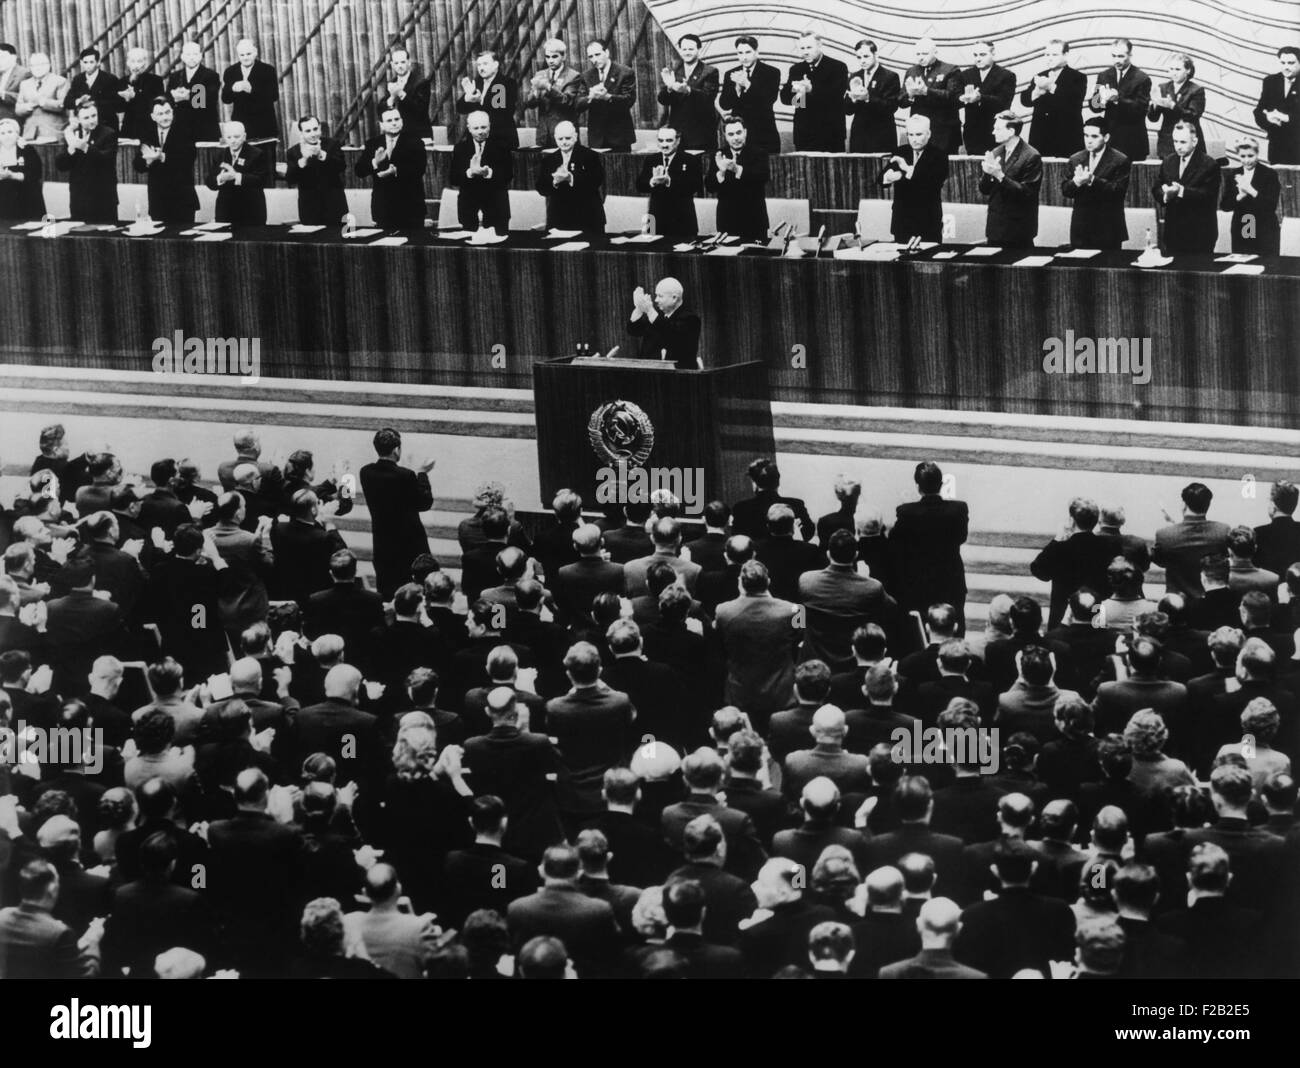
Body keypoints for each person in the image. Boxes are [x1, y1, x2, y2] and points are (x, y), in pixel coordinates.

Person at [358, 427, 434, 600]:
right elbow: (424, 503)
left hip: (383, 539)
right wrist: (422, 473)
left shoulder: (366, 472)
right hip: (409, 542)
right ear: (396, 450)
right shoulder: (406, 475)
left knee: (387, 587)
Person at [891, 461, 968, 618]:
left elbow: (894, 543)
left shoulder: (906, 512)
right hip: (950, 580)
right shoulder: (959, 509)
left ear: (918, 487)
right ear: (941, 484)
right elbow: (961, 537)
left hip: (918, 582)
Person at [1061, 116, 1130, 250]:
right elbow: (1065, 190)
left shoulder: (1120, 160)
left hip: (1108, 229)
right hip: (1080, 229)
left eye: (1094, 136)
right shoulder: (1075, 159)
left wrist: (1093, 180)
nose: (1089, 141)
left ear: (1106, 137)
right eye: (1086, 136)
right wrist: (1076, 182)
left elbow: (1118, 192)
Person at [1153, 482, 1231, 602]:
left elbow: (1160, 561)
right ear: (1207, 505)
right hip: (1209, 601)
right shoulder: (1223, 531)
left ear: (1183, 505)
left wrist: (1172, 528)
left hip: (1177, 604)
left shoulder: (1164, 535)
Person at [1152, 122, 1220, 255]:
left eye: (1183, 142)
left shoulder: (1209, 164)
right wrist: (1165, 195)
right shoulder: (1168, 161)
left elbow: (1208, 195)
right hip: (1173, 233)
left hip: (1200, 234)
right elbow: (1156, 188)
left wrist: (1181, 191)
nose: (1178, 146)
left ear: (1194, 141)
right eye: (1175, 141)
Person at [355, 106, 427, 231]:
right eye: (389, 121)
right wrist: (375, 162)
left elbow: (419, 169)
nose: (394, 123)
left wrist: (395, 171)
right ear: (381, 125)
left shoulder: (416, 142)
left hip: (411, 208)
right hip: (383, 208)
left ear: (402, 121)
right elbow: (359, 171)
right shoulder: (373, 144)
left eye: (397, 119)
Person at [880, 115, 947, 243]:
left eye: (918, 134)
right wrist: (887, 177)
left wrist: (906, 170)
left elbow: (931, 184)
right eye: (910, 135)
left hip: (928, 224)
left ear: (928, 134)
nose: (914, 139)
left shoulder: (939, 155)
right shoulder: (900, 151)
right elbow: (881, 179)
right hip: (902, 222)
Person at [978, 110, 1042, 247]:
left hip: (1019, 230)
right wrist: (987, 173)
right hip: (995, 228)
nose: (993, 132)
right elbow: (984, 190)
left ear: (1011, 131)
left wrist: (999, 175)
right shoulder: (996, 152)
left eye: (997, 129)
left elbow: (1027, 193)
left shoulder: (1031, 156)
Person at [132, 97, 198, 226]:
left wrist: (162, 157)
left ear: (173, 112)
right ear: (153, 117)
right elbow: (137, 165)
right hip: (158, 201)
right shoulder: (147, 134)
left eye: (168, 112)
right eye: (160, 114)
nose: (165, 117)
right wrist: (148, 161)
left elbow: (188, 159)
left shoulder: (185, 131)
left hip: (182, 200)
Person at [780, 32, 849, 152]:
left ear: (819, 45)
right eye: (802, 48)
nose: (805, 52)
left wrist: (811, 89)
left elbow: (836, 96)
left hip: (831, 135)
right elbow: (786, 98)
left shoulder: (838, 67)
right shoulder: (796, 69)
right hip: (804, 135)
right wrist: (800, 91)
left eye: (809, 47)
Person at [703, 115, 769, 242]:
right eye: (731, 134)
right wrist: (721, 173)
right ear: (726, 137)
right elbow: (710, 187)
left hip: (754, 220)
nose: (736, 138)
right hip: (727, 220)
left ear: (745, 132)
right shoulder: (719, 155)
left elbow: (762, 177)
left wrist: (737, 169)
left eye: (739, 133)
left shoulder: (759, 153)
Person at [1019, 38, 1087, 160]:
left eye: (1054, 55)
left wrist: (1051, 87)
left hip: (1066, 136)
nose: (1049, 58)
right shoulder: (1040, 75)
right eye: (1047, 54)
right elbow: (1025, 100)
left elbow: (1074, 102)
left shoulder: (1078, 77)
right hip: (1040, 136)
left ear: (1066, 55)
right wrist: (1036, 92)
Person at [449, 109, 512, 234]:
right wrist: (470, 173)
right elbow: (453, 178)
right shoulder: (460, 148)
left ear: (489, 126)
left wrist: (488, 173)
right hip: (468, 206)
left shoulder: (502, 147)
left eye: (483, 127)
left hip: (496, 205)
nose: (480, 132)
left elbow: (508, 175)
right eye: (476, 128)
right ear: (469, 128)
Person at [534, 119, 604, 232]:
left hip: (588, 218)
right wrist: (554, 182)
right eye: (560, 139)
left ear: (575, 137)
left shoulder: (589, 156)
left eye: (568, 138)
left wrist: (571, 177)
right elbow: (541, 188)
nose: (564, 142)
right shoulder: (549, 160)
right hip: (559, 219)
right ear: (555, 138)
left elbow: (597, 180)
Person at [1088, 39, 1151, 162]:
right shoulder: (1104, 75)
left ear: (1130, 55)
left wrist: (1118, 99)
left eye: (1121, 56)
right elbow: (1094, 106)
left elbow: (1141, 109)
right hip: (1109, 141)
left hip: (1132, 142)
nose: (1116, 60)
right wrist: (1102, 99)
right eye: (1114, 56)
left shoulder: (1142, 78)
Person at [634, 124, 703, 237]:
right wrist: (652, 181)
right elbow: (639, 185)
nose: (664, 145)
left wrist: (669, 182)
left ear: (678, 141)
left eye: (669, 140)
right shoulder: (651, 159)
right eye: (661, 140)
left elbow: (694, 186)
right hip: (656, 219)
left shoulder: (690, 160)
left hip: (682, 221)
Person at [56, 101, 118, 223]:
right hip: (79, 198)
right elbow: (61, 165)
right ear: (78, 120)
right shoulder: (73, 134)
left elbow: (106, 160)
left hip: (103, 198)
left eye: (94, 116)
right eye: (86, 117)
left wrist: (85, 147)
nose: (91, 120)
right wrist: (71, 149)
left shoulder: (108, 133)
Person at [718, 36, 780, 156]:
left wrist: (747, 84)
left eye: (748, 52)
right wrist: (737, 90)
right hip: (739, 137)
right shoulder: (730, 74)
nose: (744, 57)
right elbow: (724, 104)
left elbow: (769, 100)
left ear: (756, 52)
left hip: (764, 135)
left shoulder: (771, 72)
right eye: (740, 53)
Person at [1220, 136, 1281, 256]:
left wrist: (1251, 190)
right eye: (1243, 156)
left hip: (1264, 228)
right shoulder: (1233, 174)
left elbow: (1271, 205)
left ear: (1257, 154)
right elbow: (1224, 206)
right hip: (1242, 226)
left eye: (1250, 156)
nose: (1247, 160)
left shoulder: (1269, 174)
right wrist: (1239, 196)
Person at [657, 33, 719, 151]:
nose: (687, 52)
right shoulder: (673, 72)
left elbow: (707, 97)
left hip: (701, 134)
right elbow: (662, 99)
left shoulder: (710, 71)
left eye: (691, 49)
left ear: (698, 50)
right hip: (678, 135)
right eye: (684, 49)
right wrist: (670, 88)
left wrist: (688, 90)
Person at [901, 38, 962, 154]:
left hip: (944, 131)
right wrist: (910, 94)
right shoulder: (911, 71)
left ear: (935, 52)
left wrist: (926, 91)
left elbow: (954, 98)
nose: (921, 57)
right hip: (919, 132)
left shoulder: (950, 69)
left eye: (924, 53)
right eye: (918, 54)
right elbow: (900, 101)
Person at [285, 114, 348, 226]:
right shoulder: (293, 152)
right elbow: (290, 178)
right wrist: (303, 160)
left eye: (315, 129)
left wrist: (321, 155)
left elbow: (341, 166)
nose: (313, 134)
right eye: (308, 131)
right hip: (309, 207)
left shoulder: (333, 144)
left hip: (334, 204)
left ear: (320, 128)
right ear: (301, 133)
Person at [626, 277, 702, 369]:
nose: (656, 300)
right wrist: (639, 309)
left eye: (660, 296)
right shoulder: (657, 316)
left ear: (674, 298)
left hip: (678, 378)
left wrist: (650, 311)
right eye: (656, 295)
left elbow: (670, 333)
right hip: (650, 376)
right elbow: (634, 331)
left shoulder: (690, 319)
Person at [525, 39, 585, 149]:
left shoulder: (573, 76)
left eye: (554, 57)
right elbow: (530, 104)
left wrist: (548, 87)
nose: (550, 61)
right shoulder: (540, 74)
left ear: (564, 56)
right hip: (543, 134)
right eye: (547, 57)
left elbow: (567, 101)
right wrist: (536, 93)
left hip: (564, 135)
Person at [205, 120, 268, 226]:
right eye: (229, 137)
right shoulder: (220, 155)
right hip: (225, 211)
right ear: (224, 138)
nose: (233, 141)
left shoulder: (257, 154)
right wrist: (220, 178)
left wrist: (236, 176)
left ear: (244, 136)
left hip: (251, 211)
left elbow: (261, 180)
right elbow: (209, 181)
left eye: (236, 137)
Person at [959, 41, 1016, 154]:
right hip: (972, 133)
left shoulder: (1006, 75)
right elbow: (957, 97)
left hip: (995, 133)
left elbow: (1004, 103)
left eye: (982, 55)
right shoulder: (966, 75)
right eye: (975, 55)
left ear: (993, 54)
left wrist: (981, 98)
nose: (978, 59)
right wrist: (961, 98)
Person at [845, 39, 901, 153]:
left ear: (876, 55)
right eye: (859, 58)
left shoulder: (890, 76)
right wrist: (852, 99)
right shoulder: (854, 76)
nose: (862, 61)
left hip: (882, 134)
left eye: (866, 56)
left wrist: (868, 98)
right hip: (859, 134)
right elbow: (847, 110)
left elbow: (891, 107)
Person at [456, 49, 518, 150]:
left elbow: (498, 113)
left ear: (495, 65)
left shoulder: (504, 83)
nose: (481, 68)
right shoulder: (477, 83)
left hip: (499, 140)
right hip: (477, 140)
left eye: (485, 64)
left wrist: (477, 102)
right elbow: (460, 108)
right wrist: (467, 98)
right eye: (479, 65)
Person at [579, 41, 635, 151]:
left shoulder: (625, 72)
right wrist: (590, 97)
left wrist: (608, 97)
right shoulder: (586, 76)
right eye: (591, 56)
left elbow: (629, 100)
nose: (594, 60)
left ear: (607, 53)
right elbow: (578, 103)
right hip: (596, 137)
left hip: (620, 136)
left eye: (597, 54)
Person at [1148, 54, 1205, 159]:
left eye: (1178, 69)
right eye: (1171, 69)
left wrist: (1173, 106)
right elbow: (1153, 118)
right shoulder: (1163, 87)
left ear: (1188, 70)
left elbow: (1193, 115)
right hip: (1167, 142)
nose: (1174, 73)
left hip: (1189, 141)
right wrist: (1154, 105)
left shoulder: (1196, 90)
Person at [220, 38, 279, 140]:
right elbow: (225, 99)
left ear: (255, 53)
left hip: (264, 124)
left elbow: (274, 96)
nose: (245, 58)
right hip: (241, 125)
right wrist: (232, 89)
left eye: (248, 54)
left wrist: (252, 89)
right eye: (242, 55)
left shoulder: (267, 70)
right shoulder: (230, 71)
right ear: (238, 55)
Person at [166, 40, 222, 142]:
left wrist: (188, 97)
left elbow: (210, 98)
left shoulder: (211, 75)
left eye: (195, 54)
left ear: (201, 56)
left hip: (205, 128)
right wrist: (174, 98)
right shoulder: (175, 76)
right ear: (182, 57)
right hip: (181, 127)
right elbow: (168, 99)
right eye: (188, 54)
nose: (191, 57)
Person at [1252, 45, 1299, 165]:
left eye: (1291, 63)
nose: (1286, 67)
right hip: (1277, 147)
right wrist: (1268, 119)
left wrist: (1287, 118)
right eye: (1283, 63)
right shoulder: (1270, 81)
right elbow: (1258, 111)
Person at [63, 47, 121, 130]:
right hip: (85, 127)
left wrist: (93, 103)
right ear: (81, 63)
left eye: (91, 62)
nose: (88, 66)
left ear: (98, 62)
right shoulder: (78, 79)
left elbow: (118, 105)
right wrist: (79, 101)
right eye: (85, 62)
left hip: (107, 125)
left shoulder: (110, 79)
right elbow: (67, 102)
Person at [115, 47, 164, 141]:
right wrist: (124, 98)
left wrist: (135, 96)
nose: (136, 65)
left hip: (149, 127)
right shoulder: (122, 82)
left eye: (139, 61)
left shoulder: (155, 80)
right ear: (128, 63)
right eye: (132, 61)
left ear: (145, 63)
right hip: (129, 127)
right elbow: (119, 108)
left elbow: (157, 104)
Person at [380, 47, 431, 137]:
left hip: (418, 135)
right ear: (392, 65)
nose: (399, 66)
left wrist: (401, 93)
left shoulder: (421, 82)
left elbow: (420, 111)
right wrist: (391, 98)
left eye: (403, 62)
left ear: (409, 62)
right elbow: (381, 110)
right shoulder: (391, 83)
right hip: (395, 135)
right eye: (396, 63)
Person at [15, 52, 67, 139]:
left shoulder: (60, 81)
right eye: (33, 65)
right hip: (30, 133)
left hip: (53, 131)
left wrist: (43, 102)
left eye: (41, 64)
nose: (37, 68)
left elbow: (64, 104)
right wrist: (28, 107)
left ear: (49, 65)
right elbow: (18, 109)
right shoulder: (24, 84)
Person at [0, 116, 43, 221]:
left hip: (28, 199)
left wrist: (12, 175)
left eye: (10, 132)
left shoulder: (27, 149)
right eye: (2, 133)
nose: (7, 136)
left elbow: (36, 174)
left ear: (17, 134)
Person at [0, 43, 26, 124]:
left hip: (13, 120)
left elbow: (27, 98)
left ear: (13, 57)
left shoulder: (24, 73)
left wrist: (3, 95)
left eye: (2, 57)